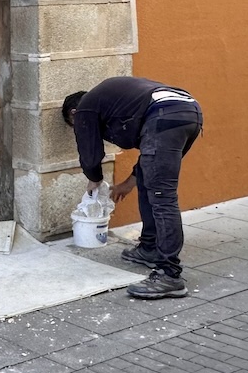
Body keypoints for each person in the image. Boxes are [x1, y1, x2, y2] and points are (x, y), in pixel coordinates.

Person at [63, 77, 203, 299]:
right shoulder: (115, 100)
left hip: (166, 115)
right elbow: (152, 151)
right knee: (152, 184)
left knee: (163, 197)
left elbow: (90, 153)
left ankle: (169, 275)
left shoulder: (85, 107)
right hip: (187, 112)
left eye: (76, 126)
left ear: (73, 113)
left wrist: (94, 178)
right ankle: (149, 248)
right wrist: (129, 182)